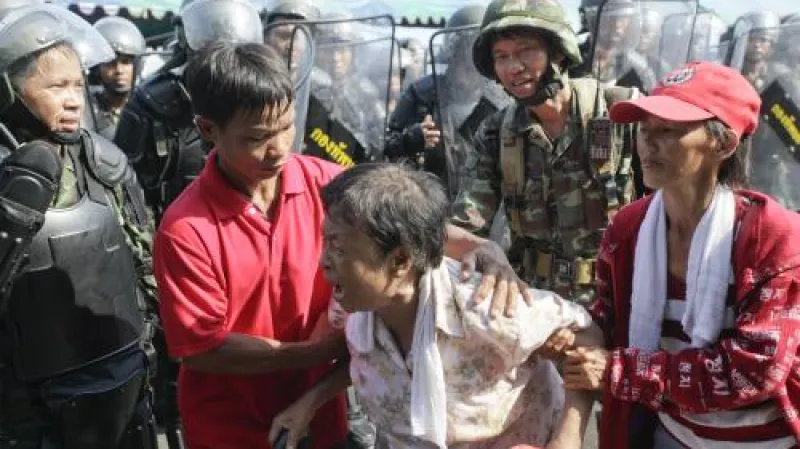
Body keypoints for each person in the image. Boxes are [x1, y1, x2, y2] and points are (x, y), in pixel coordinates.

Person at [154, 41, 533, 449]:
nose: (279, 148)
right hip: (229, 425)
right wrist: (313, 353)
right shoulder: (185, 229)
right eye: (257, 137)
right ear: (208, 129)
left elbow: (403, 224)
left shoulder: (326, 183)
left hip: (320, 414)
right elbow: (203, 350)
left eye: (285, 126)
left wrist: (480, 248)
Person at [269, 162, 600, 449]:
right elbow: (372, 361)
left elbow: (585, 334)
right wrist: (310, 402)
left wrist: (567, 439)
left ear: (399, 260)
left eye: (340, 247)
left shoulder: (487, 308)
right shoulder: (354, 310)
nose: (324, 261)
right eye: (326, 240)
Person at [558, 61, 800, 448]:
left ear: (723, 143)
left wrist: (618, 370)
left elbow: (753, 370)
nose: (647, 142)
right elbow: (608, 316)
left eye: (668, 130)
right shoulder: (627, 230)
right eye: (644, 128)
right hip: (669, 436)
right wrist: (554, 325)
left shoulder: (771, 236)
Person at [0, 4, 158, 448]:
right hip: (28, 402)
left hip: (122, 378)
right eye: (55, 86)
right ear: (10, 90)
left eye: (76, 84)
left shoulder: (104, 160)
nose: (72, 98)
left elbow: (143, 259)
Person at [451, 0, 640, 306]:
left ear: (558, 52)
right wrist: (483, 251)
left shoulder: (620, 113)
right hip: (532, 303)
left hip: (616, 299)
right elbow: (464, 223)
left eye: (526, 50)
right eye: (501, 56)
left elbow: (671, 213)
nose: (513, 66)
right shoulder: (495, 132)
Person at [90, 16, 147, 141]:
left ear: (137, 65)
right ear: (97, 67)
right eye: (110, 63)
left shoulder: (146, 108)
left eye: (126, 62)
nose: (119, 70)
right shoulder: (87, 108)